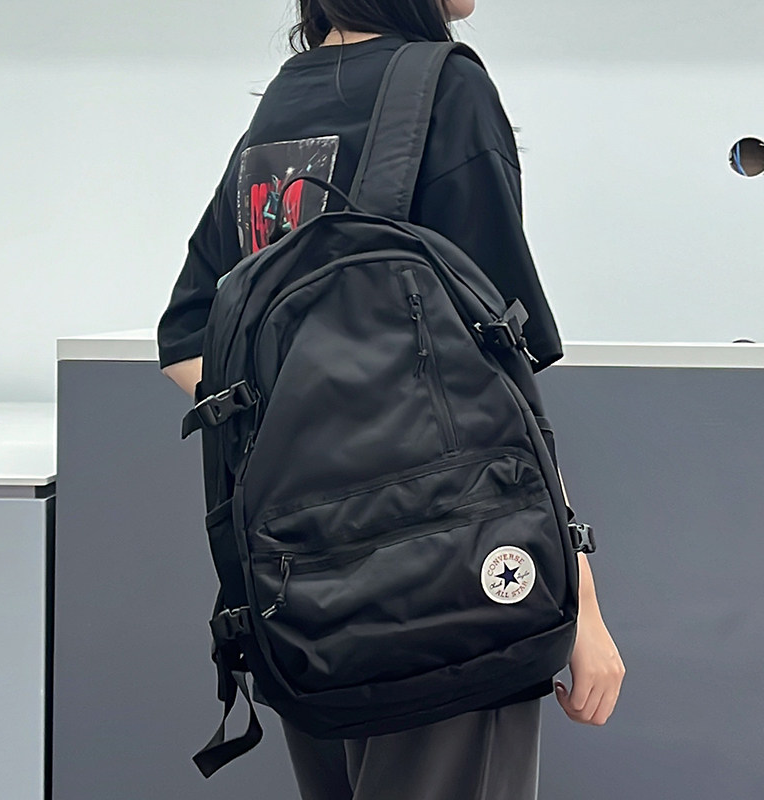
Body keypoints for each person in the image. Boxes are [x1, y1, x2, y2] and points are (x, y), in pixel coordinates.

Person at [157, 1, 626, 798]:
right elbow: (499, 375)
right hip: (449, 578)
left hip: (304, 593)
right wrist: (578, 595)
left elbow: (187, 340)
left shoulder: (289, 98)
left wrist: (309, 447)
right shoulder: (446, 87)